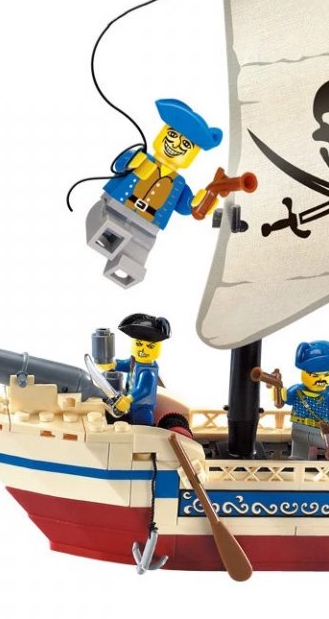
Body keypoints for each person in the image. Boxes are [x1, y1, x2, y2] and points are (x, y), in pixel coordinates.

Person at [86, 98, 222, 288]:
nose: (175, 145)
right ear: (163, 133)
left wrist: (200, 203)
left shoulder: (179, 184)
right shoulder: (142, 159)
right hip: (115, 207)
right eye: (172, 135)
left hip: (147, 227)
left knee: (139, 248)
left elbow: (185, 206)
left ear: (192, 155)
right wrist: (132, 162)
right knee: (106, 223)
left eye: (186, 145)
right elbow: (119, 165)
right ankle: (101, 237)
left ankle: (129, 267)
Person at [281, 341, 329, 460]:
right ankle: (298, 458)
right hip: (300, 426)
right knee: (299, 444)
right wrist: (281, 392)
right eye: (315, 376)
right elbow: (287, 400)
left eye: (326, 375)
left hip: (322, 431)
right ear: (303, 374)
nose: (321, 379)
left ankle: (327, 462)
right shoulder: (297, 390)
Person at [110, 313, 171, 426]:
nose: (143, 350)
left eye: (150, 346)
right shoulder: (134, 361)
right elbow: (124, 364)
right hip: (131, 404)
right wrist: (112, 364)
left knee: (141, 425)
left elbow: (143, 390)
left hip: (142, 406)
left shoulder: (148, 372)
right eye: (138, 344)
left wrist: (127, 399)